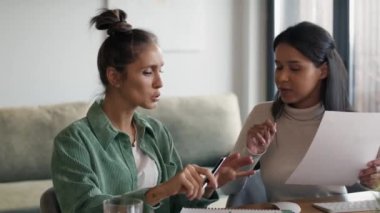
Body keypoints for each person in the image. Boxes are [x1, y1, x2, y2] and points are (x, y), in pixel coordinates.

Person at [51, 9, 254, 213]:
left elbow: (176, 205)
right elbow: (84, 209)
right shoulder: (73, 143)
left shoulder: (156, 133)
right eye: (148, 72)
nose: (159, 82)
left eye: (160, 70)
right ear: (114, 77)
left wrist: (208, 186)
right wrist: (159, 192)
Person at [221, 21, 380, 202]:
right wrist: (250, 152)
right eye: (279, 66)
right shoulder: (263, 115)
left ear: (323, 71)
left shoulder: (351, 123)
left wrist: (374, 180)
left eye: (295, 68)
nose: (281, 77)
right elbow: (227, 188)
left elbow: (372, 190)